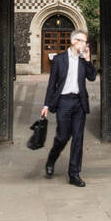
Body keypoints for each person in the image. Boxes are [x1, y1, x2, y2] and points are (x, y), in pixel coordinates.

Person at [41, 29, 95, 187]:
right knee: (63, 137)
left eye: (85, 41)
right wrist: (46, 104)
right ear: (73, 41)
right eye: (82, 41)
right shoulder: (59, 60)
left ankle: (74, 174)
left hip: (79, 102)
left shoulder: (83, 59)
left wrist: (87, 59)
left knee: (78, 138)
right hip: (63, 102)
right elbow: (52, 85)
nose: (84, 44)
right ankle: (52, 158)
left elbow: (92, 77)